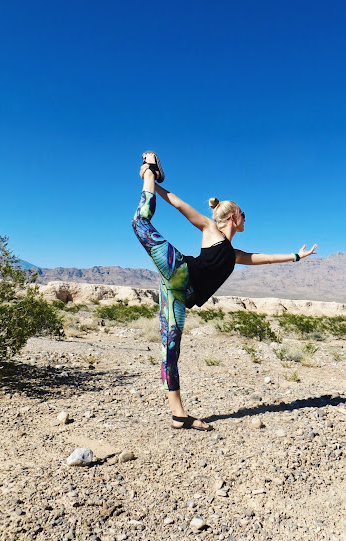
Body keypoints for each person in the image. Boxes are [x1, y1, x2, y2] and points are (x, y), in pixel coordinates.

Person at [132, 152, 317, 431]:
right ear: (233, 217)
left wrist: (295, 256)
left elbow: (265, 258)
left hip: (181, 294)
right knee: (140, 224)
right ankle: (149, 170)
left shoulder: (235, 255)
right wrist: (154, 183)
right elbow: (179, 204)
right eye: (243, 214)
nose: (245, 218)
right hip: (179, 270)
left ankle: (178, 415)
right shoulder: (211, 230)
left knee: (170, 351)